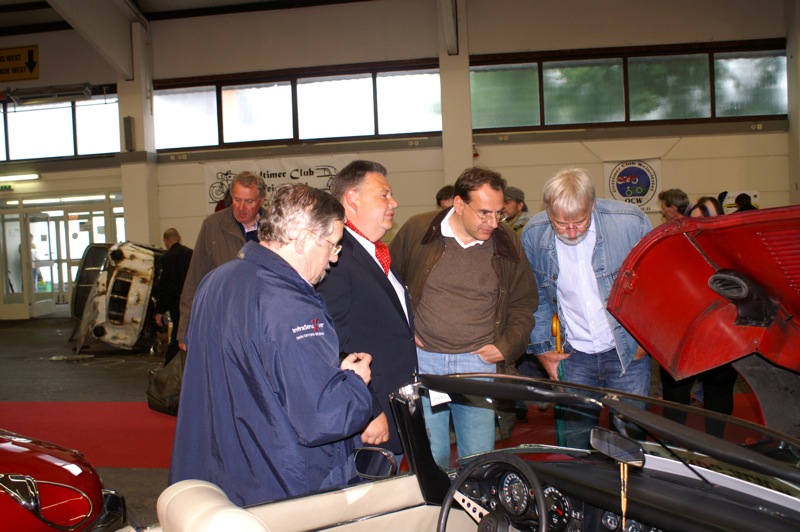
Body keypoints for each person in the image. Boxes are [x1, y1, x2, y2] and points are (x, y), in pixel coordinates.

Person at [169, 184, 374, 507]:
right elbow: (322, 417)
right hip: (277, 484)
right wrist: (354, 383)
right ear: (303, 240)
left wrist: (325, 374)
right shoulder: (292, 304)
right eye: (333, 245)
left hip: (216, 477)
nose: (334, 258)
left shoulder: (215, 282)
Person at [390, 167, 538, 469]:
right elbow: (389, 285)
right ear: (459, 204)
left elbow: (524, 302)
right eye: (484, 213)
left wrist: (506, 346)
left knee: (479, 457)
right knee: (431, 458)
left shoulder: (506, 241)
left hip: (477, 365)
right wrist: (404, 330)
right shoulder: (418, 231)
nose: (493, 223)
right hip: (425, 361)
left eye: (499, 213)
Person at [522, 167, 652, 448]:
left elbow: (655, 286)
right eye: (560, 224)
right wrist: (543, 350)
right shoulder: (534, 234)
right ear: (548, 210)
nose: (571, 232)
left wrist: (646, 341)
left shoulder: (631, 223)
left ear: (592, 205)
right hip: (574, 356)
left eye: (580, 222)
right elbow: (534, 296)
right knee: (576, 443)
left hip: (628, 353)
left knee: (629, 442)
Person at [318, 160, 417, 462]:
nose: (393, 202)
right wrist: (369, 411)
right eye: (384, 195)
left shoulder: (374, 252)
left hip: (396, 406)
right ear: (352, 199)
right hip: (372, 417)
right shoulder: (337, 257)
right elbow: (330, 345)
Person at [661, 194, 737, 435]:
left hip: (721, 334)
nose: (700, 225)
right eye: (694, 220)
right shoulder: (676, 248)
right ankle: (673, 443)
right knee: (675, 395)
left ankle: (714, 445)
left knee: (718, 393)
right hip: (681, 334)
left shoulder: (733, 250)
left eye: (706, 219)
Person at [176, 171, 266, 349]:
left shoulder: (275, 228)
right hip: (223, 324)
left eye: (249, 201)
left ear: (261, 201)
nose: (241, 208)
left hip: (263, 322)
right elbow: (194, 277)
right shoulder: (212, 225)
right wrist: (185, 329)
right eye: (237, 200)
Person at [152, 228, 193, 365]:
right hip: (192, 300)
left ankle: (170, 365)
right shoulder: (191, 254)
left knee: (177, 333)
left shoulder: (167, 258)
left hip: (177, 302)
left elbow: (166, 286)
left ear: (165, 241)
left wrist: (160, 310)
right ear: (179, 237)